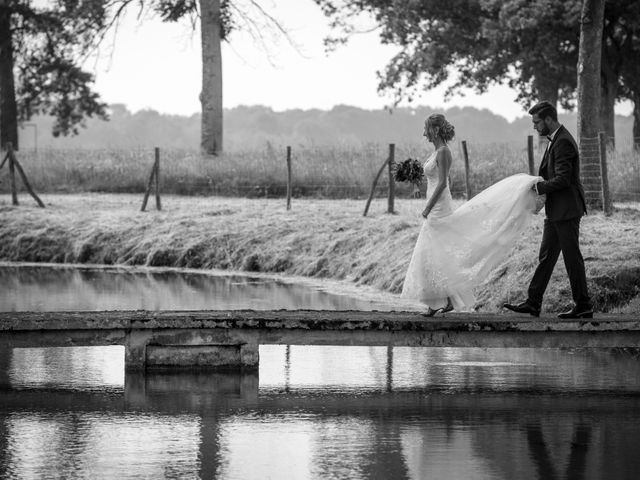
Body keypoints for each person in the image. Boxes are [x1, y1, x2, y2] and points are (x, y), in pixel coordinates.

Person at [401, 113, 543, 316]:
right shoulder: (434, 153)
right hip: (433, 200)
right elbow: (432, 181)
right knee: (437, 250)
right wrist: (416, 181)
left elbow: (442, 183)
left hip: (440, 205)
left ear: (435, 130)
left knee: (434, 248)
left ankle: (442, 302)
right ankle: (445, 300)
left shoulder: (443, 152)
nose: (424, 133)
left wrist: (428, 208)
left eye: (426, 129)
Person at [503, 101, 593, 319]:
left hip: (567, 210)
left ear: (549, 120)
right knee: (547, 257)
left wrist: (537, 187)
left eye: (537, 122)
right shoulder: (557, 139)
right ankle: (533, 302)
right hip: (556, 210)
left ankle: (583, 305)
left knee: (572, 258)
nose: (535, 126)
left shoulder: (563, 142)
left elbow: (563, 179)